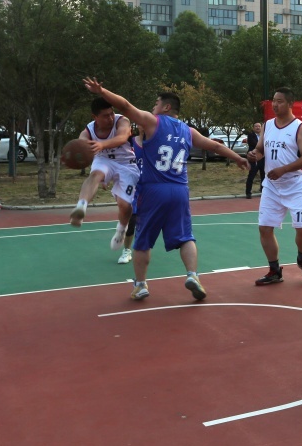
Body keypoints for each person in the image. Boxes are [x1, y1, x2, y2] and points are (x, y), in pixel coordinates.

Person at [83, 78, 249, 301]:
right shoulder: (188, 131)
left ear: (166, 107)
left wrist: (102, 91)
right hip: (180, 190)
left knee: (143, 242)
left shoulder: (154, 122)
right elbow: (214, 146)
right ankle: (193, 275)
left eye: (156, 103)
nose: (153, 107)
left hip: (153, 190)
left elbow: (125, 106)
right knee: (186, 237)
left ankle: (140, 285)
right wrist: (238, 157)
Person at [246, 88, 302, 286]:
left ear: (290, 104)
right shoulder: (268, 125)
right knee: (264, 228)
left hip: (295, 184)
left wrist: (283, 169)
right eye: (274, 101)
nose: (275, 105)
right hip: (272, 186)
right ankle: (275, 270)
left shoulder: (299, 127)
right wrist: (254, 154)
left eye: (280, 101)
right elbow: (260, 149)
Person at [69, 98, 140, 265]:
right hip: (104, 160)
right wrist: (77, 152)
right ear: (95, 117)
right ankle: (81, 206)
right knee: (95, 176)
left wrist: (102, 145)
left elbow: (122, 137)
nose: (110, 118)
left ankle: (121, 230)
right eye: (105, 116)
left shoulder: (122, 121)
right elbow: (81, 144)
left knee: (125, 205)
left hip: (127, 163)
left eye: (111, 113)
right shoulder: (88, 131)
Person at [244, 122, 265, 199]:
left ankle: (263, 191)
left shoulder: (264, 136)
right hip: (253, 158)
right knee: (251, 175)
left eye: (259, 126)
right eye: (256, 126)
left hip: (263, 158)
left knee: (263, 176)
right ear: (253, 128)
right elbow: (256, 145)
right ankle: (248, 192)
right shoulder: (250, 135)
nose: (258, 127)